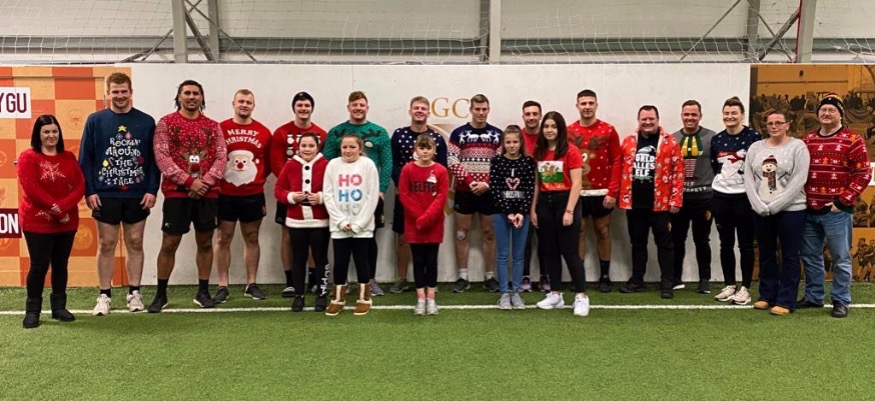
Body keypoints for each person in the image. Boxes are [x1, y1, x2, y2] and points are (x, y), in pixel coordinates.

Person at [79, 72, 158, 316]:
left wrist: (152, 189)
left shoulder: (146, 121)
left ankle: (134, 293)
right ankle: (104, 295)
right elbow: (85, 159)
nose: (120, 96)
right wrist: (89, 190)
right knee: (106, 244)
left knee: (135, 242)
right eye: (115, 91)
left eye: (124, 91)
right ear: (107, 93)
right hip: (105, 194)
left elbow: (154, 161)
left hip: (137, 193)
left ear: (131, 92)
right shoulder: (95, 120)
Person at [148, 80, 227, 312]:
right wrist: (190, 182)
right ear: (179, 96)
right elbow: (162, 157)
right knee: (169, 243)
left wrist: (205, 182)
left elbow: (221, 157)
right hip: (177, 193)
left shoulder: (213, 126)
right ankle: (161, 295)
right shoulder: (165, 123)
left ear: (202, 97)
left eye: (196, 93)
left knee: (205, 242)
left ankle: (203, 292)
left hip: (207, 194)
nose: (191, 97)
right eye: (187, 93)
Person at [799, 94, 871, 318]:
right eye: (823, 110)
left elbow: (863, 173)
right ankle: (814, 296)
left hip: (836, 212)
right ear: (817, 114)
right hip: (808, 209)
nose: (826, 113)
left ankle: (841, 300)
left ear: (841, 114)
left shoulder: (853, 139)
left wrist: (843, 200)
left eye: (832, 110)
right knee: (810, 256)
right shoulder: (807, 140)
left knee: (840, 258)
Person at [323, 91, 392, 297]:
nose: (358, 108)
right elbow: (326, 161)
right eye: (354, 105)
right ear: (348, 107)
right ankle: (341, 284)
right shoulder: (336, 132)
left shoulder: (380, 132)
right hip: (342, 197)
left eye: (362, 105)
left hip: (371, 196)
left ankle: (369, 281)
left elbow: (387, 163)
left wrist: (381, 190)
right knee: (342, 243)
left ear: (367, 107)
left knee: (368, 239)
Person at [18, 115, 84, 328]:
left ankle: (59, 307)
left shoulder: (68, 157)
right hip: (37, 223)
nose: (51, 135)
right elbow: (31, 188)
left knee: (60, 265)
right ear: (38, 134)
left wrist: (63, 208)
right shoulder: (28, 157)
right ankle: (33, 311)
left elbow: (80, 186)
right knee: (38, 267)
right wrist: (56, 209)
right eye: (46, 131)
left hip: (67, 221)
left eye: (55, 131)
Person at [743, 110, 810, 316]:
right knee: (766, 254)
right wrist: (757, 204)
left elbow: (799, 180)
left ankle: (786, 300)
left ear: (787, 124)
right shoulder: (756, 148)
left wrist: (776, 205)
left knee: (789, 255)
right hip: (761, 210)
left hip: (791, 210)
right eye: (770, 123)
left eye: (779, 122)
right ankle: (767, 295)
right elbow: (748, 178)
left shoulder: (798, 147)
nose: (774, 126)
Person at [618, 105, 684, 299]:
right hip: (635, 204)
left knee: (665, 245)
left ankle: (667, 284)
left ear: (657, 119)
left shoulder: (670, 142)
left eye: (651, 119)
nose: (647, 122)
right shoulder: (628, 142)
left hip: (661, 205)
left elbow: (678, 172)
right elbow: (620, 168)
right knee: (637, 244)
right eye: (644, 119)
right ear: (639, 120)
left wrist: (676, 199)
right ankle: (637, 280)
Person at [213, 89, 272, 303]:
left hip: (252, 194)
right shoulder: (220, 129)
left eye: (248, 102)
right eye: (241, 101)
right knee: (223, 238)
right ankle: (222, 285)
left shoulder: (263, 132)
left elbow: (267, 164)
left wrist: (256, 180)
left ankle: (251, 284)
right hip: (225, 194)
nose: (244, 105)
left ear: (253, 106)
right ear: (233, 104)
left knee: (252, 237)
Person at [531, 111, 590, 317]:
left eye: (554, 126)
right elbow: (537, 183)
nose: (549, 130)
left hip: (565, 201)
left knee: (570, 252)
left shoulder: (571, 151)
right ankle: (555, 294)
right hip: (545, 204)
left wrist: (569, 211)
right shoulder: (539, 151)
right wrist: (533, 209)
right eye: (546, 126)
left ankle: (581, 296)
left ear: (561, 129)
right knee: (550, 251)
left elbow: (577, 184)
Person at [269, 92, 327, 297]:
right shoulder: (281, 132)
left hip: (315, 197)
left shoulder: (322, 133)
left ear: (312, 108)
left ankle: (313, 279)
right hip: (291, 193)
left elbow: (325, 166)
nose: (303, 108)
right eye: (300, 105)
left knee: (314, 236)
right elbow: (276, 163)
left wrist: (318, 194)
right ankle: (291, 281)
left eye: (307, 105)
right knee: (288, 235)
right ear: (294, 108)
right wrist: (292, 188)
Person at [389, 96, 448, 294]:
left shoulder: (437, 138)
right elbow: (393, 163)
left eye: (423, 108)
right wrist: (401, 185)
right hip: (406, 196)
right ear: (410, 111)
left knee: (430, 242)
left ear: (428, 112)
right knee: (403, 238)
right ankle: (402, 278)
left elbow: (442, 168)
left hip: (430, 200)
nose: (419, 111)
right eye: (416, 108)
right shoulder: (399, 135)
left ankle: (430, 283)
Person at [566, 89, 622, 293]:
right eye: (583, 103)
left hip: (602, 192)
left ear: (596, 105)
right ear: (577, 106)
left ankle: (605, 276)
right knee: (579, 232)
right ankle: (578, 277)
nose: (587, 107)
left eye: (591, 103)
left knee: (603, 231)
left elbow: (617, 160)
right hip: (578, 193)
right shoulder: (569, 132)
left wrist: (613, 192)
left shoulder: (609, 130)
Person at [710, 96, 761, 305]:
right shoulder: (717, 139)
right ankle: (729, 284)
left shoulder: (753, 137)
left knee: (746, 245)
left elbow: (758, 167)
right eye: (726, 113)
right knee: (725, 243)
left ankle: (745, 288)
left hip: (744, 198)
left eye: (734, 113)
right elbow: (716, 167)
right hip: (721, 197)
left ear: (742, 115)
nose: (729, 117)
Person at [448, 94, 501, 293]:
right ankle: (463, 276)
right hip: (465, 191)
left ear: (488, 110)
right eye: (477, 109)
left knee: (489, 233)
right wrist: (470, 181)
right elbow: (452, 160)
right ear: (471, 110)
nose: (480, 113)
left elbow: (500, 163)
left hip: (489, 192)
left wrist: (486, 183)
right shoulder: (458, 133)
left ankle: (489, 277)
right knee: (462, 234)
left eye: (484, 109)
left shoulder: (497, 134)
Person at [323, 134, 380, 316]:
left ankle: (364, 298)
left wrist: (359, 223)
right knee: (340, 262)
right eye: (344, 147)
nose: (348, 151)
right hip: (339, 226)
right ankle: (338, 298)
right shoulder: (333, 165)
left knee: (362, 261)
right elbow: (328, 195)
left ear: (360, 149)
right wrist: (341, 221)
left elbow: (372, 195)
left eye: (352, 147)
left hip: (362, 227)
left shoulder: (368, 165)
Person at [275, 133, 330, 312]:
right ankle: (298, 295)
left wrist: (321, 197)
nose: (307, 149)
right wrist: (291, 196)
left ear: (317, 147)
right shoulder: (290, 165)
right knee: (298, 259)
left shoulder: (326, 165)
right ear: (298, 147)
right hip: (296, 222)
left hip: (320, 222)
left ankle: (322, 294)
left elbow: (333, 189)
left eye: (311, 146)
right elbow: (279, 189)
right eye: (303, 146)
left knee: (320, 259)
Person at [398, 134, 449, 315]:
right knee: (418, 261)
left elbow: (442, 196)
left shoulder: (441, 170)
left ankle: (431, 298)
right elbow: (404, 194)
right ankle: (420, 298)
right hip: (414, 223)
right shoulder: (407, 169)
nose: (425, 151)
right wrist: (419, 217)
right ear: (415, 150)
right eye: (422, 148)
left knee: (432, 261)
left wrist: (427, 217)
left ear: (434, 150)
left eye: (429, 148)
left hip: (433, 223)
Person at [670, 100, 717, 294]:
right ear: (681, 116)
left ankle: (704, 279)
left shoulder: (712, 138)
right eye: (686, 114)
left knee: (702, 240)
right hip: (679, 199)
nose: (690, 118)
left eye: (694, 114)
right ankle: (675, 278)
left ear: (700, 116)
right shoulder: (672, 139)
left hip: (704, 198)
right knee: (677, 239)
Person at [489, 125, 536, 310]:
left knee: (518, 255)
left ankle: (516, 293)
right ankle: (504, 293)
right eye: (508, 142)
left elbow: (529, 189)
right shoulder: (497, 162)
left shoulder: (527, 162)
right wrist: (508, 212)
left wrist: (520, 213)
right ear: (503, 143)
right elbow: (496, 189)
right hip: (501, 213)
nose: (511, 145)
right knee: (502, 254)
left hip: (521, 215)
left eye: (515, 142)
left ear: (521, 142)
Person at [521, 100, 543, 292]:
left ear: (540, 116)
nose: (531, 117)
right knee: (524, 239)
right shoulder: (517, 137)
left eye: (535, 114)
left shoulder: (548, 136)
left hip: (547, 194)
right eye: (528, 114)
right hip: (522, 195)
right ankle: (524, 276)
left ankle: (546, 276)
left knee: (546, 239)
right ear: (523, 117)